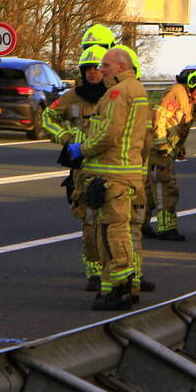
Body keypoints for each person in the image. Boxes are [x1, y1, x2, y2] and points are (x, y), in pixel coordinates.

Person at [64, 48, 150, 311]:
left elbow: (109, 134)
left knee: (113, 232)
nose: (100, 70)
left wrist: (83, 149)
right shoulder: (136, 90)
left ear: (121, 66)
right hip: (125, 171)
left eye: (105, 65)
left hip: (113, 173)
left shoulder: (117, 93)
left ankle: (119, 290)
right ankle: (117, 289)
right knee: (119, 230)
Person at [41, 45, 107, 291]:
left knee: (115, 220)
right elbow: (47, 117)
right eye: (87, 68)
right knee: (89, 218)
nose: (92, 73)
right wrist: (67, 137)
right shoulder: (71, 96)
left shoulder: (114, 95)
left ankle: (120, 269)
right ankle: (94, 269)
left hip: (111, 165)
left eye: (97, 68)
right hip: (82, 168)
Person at [143, 68, 196, 241]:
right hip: (160, 150)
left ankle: (140, 224)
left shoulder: (187, 97)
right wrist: (162, 145)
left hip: (168, 149)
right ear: (193, 83)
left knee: (150, 190)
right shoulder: (177, 93)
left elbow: (179, 124)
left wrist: (180, 145)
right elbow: (159, 117)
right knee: (166, 187)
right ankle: (166, 228)